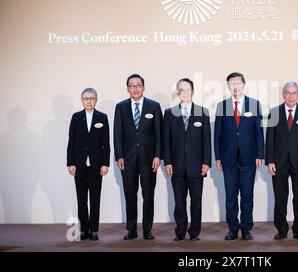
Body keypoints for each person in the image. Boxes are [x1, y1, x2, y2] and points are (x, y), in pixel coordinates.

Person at [214, 72, 264, 240]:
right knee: (230, 196)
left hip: (249, 158)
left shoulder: (254, 104)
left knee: (247, 195)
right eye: (231, 84)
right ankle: (232, 229)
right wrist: (218, 157)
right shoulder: (222, 106)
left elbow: (259, 132)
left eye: (237, 83)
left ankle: (247, 228)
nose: (235, 86)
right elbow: (217, 134)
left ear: (244, 85)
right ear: (229, 86)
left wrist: (259, 154)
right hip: (228, 159)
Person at [114, 74, 162, 240]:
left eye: (138, 85)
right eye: (132, 85)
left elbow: (158, 134)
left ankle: (147, 230)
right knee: (130, 193)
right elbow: (118, 133)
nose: (135, 88)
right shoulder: (120, 107)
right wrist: (119, 155)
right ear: (127, 88)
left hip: (149, 159)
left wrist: (158, 156)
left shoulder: (154, 106)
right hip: (127, 159)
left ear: (143, 87)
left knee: (148, 194)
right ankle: (132, 230)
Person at [163, 78, 211, 241]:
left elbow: (207, 140)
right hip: (176, 165)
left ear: (193, 91)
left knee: (196, 201)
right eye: (181, 90)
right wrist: (167, 161)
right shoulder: (169, 113)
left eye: (187, 89)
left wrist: (207, 162)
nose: (184, 92)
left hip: (197, 166)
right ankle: (180, 231)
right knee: (179, 201)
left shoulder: (202, 112)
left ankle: (195, 232)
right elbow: (166, 141)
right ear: (178, 93)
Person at [265, 82, 298, 240]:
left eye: (294, 93)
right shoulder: (274, 112)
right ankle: (281, 229)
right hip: (279, 163)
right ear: (283, 94)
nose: (291, 96)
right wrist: (270, 161)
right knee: (280, 196)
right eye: (288, 93)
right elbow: (270, 139)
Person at [67, 88, 110, 241]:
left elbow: (106, 143)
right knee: (81, 199)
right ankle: (84, 230)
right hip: (79, 164)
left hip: (96, 165)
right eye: (86, 98)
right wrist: (70, 162)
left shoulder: (102, 117)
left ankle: (94, 230)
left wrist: (105, 164)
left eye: (92, 98)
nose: (89, 101)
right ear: (82, 100)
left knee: (95, 199)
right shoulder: (76, 117)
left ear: (96, 100)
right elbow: (71, 142)